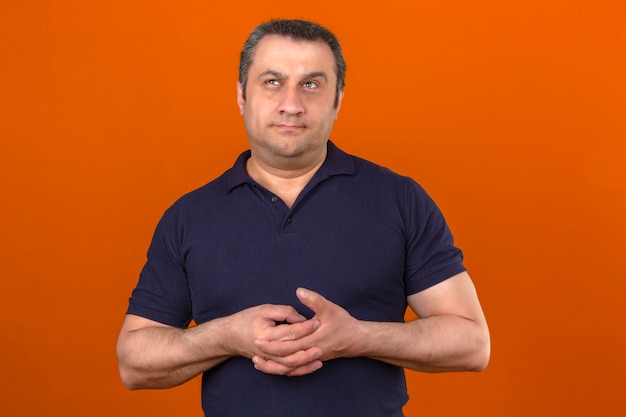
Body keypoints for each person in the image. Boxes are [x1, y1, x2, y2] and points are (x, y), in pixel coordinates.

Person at [116, 19, 490, 416]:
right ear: (242, 95)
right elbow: (134, 362)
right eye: (272, 82)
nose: (291, 104)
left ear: (338, 99)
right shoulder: (189, 216)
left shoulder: (400, 200)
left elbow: (471, 342)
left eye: (311, 84)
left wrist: (358, 337)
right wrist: (225, 337)